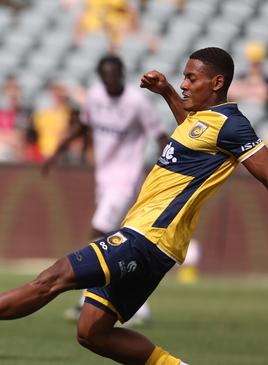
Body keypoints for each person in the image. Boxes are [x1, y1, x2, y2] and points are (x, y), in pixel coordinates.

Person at [0, 47, 268, 365]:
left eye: (191, 78)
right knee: (91, 332)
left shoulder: (234, 126)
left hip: (148, 237)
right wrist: (166, 93)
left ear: (218, 82)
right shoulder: (204, 122)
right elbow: (188, 128)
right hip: (150, 240)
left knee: (55, 277)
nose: (184, 83)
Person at [43, 54, 167, 324]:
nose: (110, 79)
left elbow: (160, 135)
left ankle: (85, 297)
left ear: (122, 73)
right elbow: (83, 125)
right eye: (105, 75)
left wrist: (168, 171)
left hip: (127, 179)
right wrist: (57, 152)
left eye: (114, 74)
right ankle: (136, 305)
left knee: (98, 229)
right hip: (104, 178)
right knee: (118, 240)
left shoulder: (136, 102)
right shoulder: (96, 96)